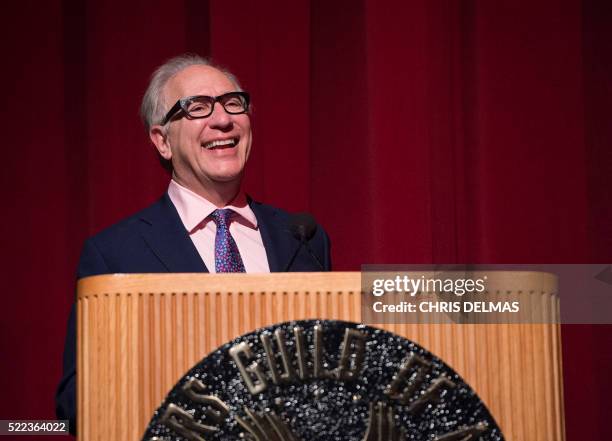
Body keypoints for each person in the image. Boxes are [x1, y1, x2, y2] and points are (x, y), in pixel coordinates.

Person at [55, 54, 331, 433]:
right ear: (162, 141)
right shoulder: (115, 254)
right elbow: (77, 403)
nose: (222, 119)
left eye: (233, 103)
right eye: (197, 108)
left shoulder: (304, 239)